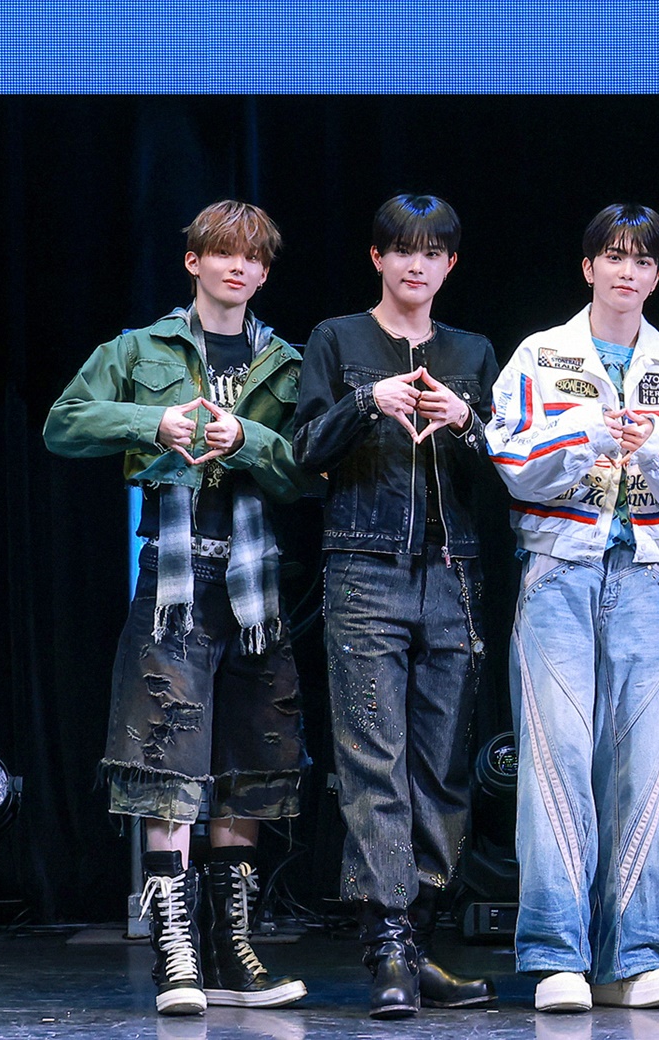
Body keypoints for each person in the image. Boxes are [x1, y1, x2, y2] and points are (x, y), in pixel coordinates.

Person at [45, 201, 321, 1018]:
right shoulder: (140, 349)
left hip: (257, 585)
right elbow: (64, 424)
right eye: (223, 253)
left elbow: (313, 472)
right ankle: (176, 953)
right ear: (194, 261)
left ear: (264, 273)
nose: (239, 267)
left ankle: (233, 950)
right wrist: (153, 421)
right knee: (163, 760)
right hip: (175, 580)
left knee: (251, 761)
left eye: (253, 258)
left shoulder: (288, 363)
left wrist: (253, 442)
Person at [485, 205, 659, 1012]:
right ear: (588, 266)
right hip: (559, 572)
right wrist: (592, 431)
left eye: (643, 260)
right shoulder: (541, 353)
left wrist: (650, 445)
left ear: (658, 275)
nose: (628, 271)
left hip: (648, 576)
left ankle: (633, 957)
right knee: (556, 759)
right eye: (614, 256)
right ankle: (557, 954)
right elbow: (511, 459)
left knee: (644, 765)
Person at [290, 194, 499, 1018]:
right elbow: (303, 450)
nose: (419, 264)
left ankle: (419, 937)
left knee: (442, 764)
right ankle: (386, 945)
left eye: (434, 252)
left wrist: (468, 421)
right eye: (403, 250)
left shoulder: (471, 351)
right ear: (377, 257)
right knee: (374, 758)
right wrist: (363, 402)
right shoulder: (337, 339)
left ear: (451, 264)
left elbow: (509, 468)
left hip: (453, 575)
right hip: (364, 568)